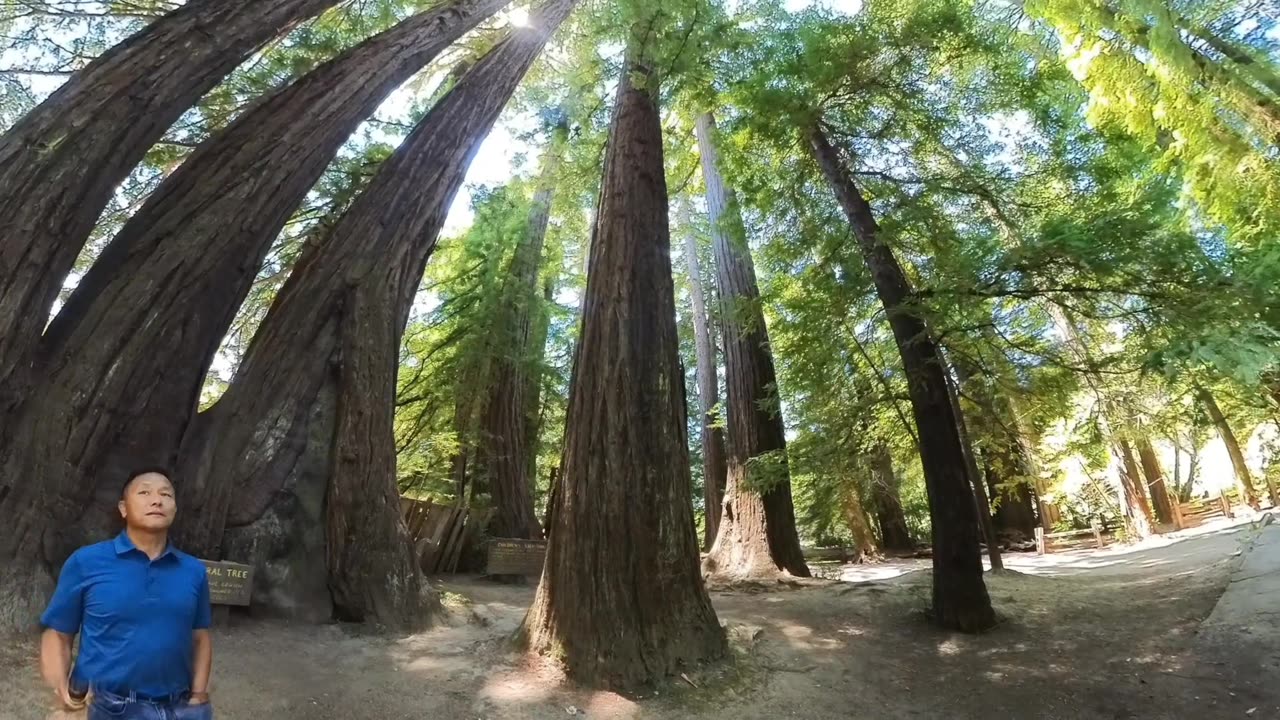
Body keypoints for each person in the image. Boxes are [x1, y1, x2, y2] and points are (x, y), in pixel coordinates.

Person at [39, 467, 214, 719]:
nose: (157, 500)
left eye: (166, 495)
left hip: (177, 707)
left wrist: (197, 697)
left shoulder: (193, 570)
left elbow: (200, 637)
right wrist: (61, 690)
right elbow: (57, 633)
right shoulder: (87, 562)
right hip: (106, 706)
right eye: (144, 492)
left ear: (175, 508)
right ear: (123, 508)